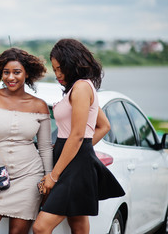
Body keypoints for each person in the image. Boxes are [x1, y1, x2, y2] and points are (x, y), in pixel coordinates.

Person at [33, 39, 125, 234]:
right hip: (72, 158)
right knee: (78, 224)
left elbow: (76, 135)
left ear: (72, 64)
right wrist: (82, 148)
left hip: (74, 165)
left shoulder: (82, 88)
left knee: (41, 227)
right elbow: (104, 125)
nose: (57, 74)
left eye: (60, 69)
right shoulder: (79, 88)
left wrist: (54, 175)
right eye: (54, 69)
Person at [0, 48, 53, 234]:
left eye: (17, 72)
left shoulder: (39, 105)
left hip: (29, 176)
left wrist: (47, 180)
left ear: (27, 73)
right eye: (6, 72)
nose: (11, 77)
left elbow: (45, 147)